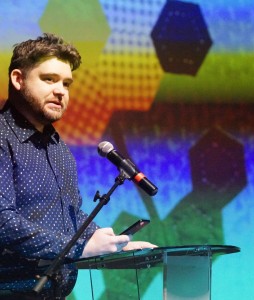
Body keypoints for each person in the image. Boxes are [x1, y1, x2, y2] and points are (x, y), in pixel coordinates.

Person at [0, 33, 156, 299]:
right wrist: (79, 248)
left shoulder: (59, 150)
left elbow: (68, 215)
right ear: (18, 79)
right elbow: (3, 221)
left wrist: (110, 243)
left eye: (67, 83)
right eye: (49, 79)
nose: (60, 91)